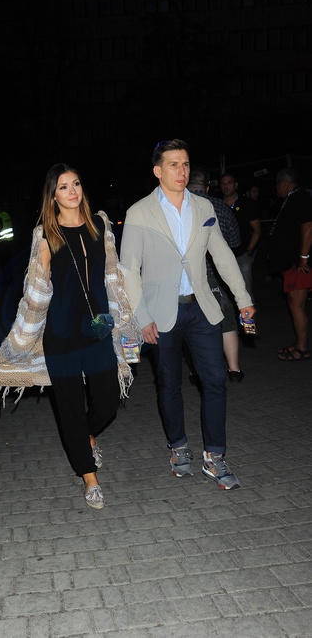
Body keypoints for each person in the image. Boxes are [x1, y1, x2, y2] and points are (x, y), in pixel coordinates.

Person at [0, 163, 141, 510]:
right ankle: (89, 477)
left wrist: (124, 318)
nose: (72, 191)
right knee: (70, 410)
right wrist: (25, 330)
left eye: (76, 184)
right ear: (53, 196)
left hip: (97, 328)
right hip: (61, 334)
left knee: (108, 399)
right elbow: (36, 290)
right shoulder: (45, 236)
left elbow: (112, 276)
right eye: (63, 187)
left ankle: (86, 436)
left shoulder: (100, 225)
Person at [120, 139, 255, 490]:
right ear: (158, 170)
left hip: (200, 309)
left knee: (215, 379)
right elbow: (129, 270)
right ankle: (179, 447)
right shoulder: (139, 212)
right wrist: (141, 316)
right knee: (169, 383)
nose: (182, 171)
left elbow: (222, 255)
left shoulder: (203, 206)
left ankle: (215, 456)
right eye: (174, 164)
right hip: (159, 313)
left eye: (186, 164)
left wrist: (243, 299)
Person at [187, 167, 245, 382]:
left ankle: (196, 372)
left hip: (190, 278)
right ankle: (234, 369)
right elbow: (236, 241)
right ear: (208, 187)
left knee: (193, 324)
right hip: (217, 276)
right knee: (226, 320)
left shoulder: (180, 209)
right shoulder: (219, 206)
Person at [268, 168, 312, 361]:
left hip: (298, 264)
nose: (276, 189)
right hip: (292, 263)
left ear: (284, 183)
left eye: (277, 185)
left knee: (296, 305)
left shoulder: (300, 197)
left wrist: (303, 257)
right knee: (293, 303)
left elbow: (308, 226)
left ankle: (302, 348)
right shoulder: (293, 198)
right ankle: (299, 343)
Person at [221, 173, 261, 303]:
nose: (226, 186)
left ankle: (248, 315)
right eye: (223, 183)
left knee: (245, 290)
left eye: (229, 183)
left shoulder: (246, 204)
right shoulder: (217, 204)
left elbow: (257, 229)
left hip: (242, 255)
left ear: (235, 185)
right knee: (224, 292)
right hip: (223, 256)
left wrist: (248, 251)